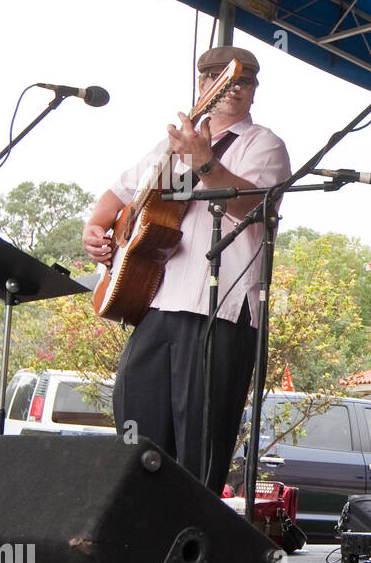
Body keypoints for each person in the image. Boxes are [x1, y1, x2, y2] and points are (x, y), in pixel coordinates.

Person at [82, 45, 292, 493]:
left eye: (245, 80)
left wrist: (204, 161)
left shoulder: (264, 144)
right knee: (136, 434)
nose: (236, 87)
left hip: (219, 310)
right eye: (224, 79)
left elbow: (254, 205)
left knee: (200, 449)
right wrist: (98, 228)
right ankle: (136, 538)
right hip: (156, 303)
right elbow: (117, 194)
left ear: (254, 91)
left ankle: (192, 546)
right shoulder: (166, 148)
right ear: (205, 86)